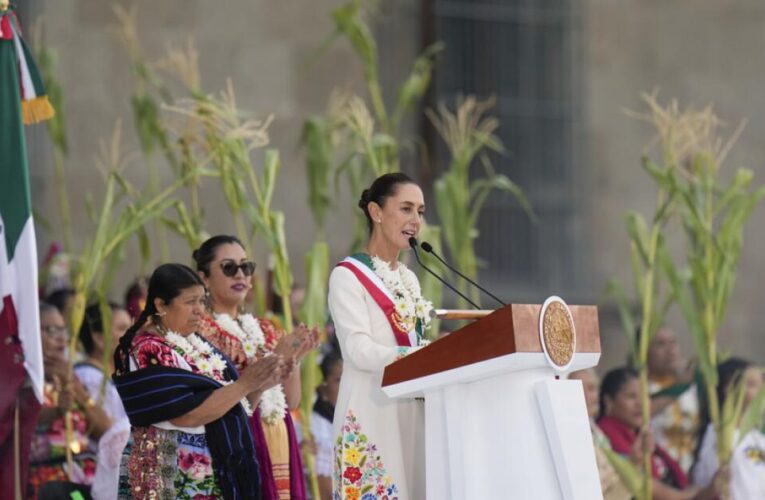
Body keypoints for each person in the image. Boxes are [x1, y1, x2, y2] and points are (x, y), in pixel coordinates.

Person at [113, 263, 285, 499]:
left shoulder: (200, 346)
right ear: (161, 304)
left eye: (202, 301)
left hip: (210, 473)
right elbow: (186, 414)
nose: (199, 311)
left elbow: (236, 409)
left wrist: (260, 384)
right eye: (190, 302)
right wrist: (245, 384)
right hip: (168, 475)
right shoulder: (147, 348)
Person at [328, 172, 433, 499]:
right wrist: (420, 357)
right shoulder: (347, 276)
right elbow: (357, 349)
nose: (415, 219)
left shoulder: (410, 279)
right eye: (405, 209)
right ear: (376, 212)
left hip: (410, 408)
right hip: (370, 409)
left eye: (420, 211)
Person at [192, 236, 317, 499]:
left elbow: (291, 401)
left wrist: (293, 358)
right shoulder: (200, 331)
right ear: (204, 278)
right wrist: (275, 358)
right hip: (239, 442)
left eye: (246, 267)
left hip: (278, 438)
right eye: (228, 267)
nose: (240, 274)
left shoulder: (265, 328)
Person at [598, 367, 721, 500]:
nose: (640, 404)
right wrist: (700, 494)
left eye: (645, 396)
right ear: (609, 401)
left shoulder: (639, 433)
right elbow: (640, 482)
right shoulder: (606, 434)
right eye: (631, 396)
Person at [28, 303, 112, 499]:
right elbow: (22, 421)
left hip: (82, 482)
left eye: (62, 330)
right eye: (50, 330)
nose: (60, 337)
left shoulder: (72, 376)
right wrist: (57, 411)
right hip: (44, 483)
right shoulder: (23, 380)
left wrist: (74, 387)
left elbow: (106, 430)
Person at [74, 302, 132, 499]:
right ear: (99, 338)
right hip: (95, 477)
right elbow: (110, 432)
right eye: (123, 328)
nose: (131, 335)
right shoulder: (88, 377)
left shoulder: (119, 374)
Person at [692, 358, 765, 499]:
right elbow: (707, 480)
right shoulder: (717, 433)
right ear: (729, 389)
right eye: (752, 384)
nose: (761, 392)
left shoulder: (758, 438)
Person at [568, 369, 631, 500]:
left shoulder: (594, 429)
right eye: (577, 389)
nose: (586, 396)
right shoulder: (572, 438)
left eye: (591, 389)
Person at [645, 326, 700, 472]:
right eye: (660, 344)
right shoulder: (641, 388)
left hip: (691, 472)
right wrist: (679, 387)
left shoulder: (692, 388)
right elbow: (645, 412)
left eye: (673, 342)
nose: (670, 350)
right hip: (660, 472)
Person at [311, 351, 343, 500]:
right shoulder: (315, 426)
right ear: (322, 386)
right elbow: (325, 493)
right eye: (338, 380)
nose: (345, 386)